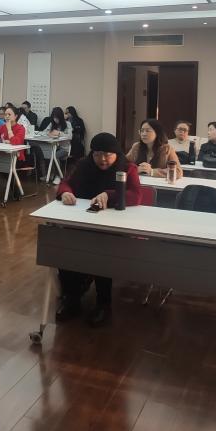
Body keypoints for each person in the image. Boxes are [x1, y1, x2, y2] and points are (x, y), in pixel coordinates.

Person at [55, 133, 143, 326]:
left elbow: (136, 195)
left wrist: (109, 195)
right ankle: (72, 299)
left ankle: (104, 304)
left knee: (103, 253)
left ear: (116, 154)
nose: (102, 159)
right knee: (65, 250)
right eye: (97, 154)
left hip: (113, 228)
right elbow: (65, 182)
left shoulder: (127, 168)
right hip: (82, 222)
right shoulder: (83, 165)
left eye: (108, 155)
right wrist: (66, 192)